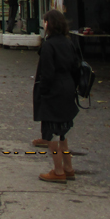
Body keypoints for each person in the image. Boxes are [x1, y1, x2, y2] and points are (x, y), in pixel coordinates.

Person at [32, 9, 80, 183]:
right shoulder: (69, 43)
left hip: (53, 91)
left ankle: (58, 170)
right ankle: (68, 167)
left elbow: (47, 73)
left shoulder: (48, 45)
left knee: (51, 132)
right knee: (62, 132)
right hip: (67, 88)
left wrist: (43, 93)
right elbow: (76, 67)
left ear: (49, 24)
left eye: (45, 21)